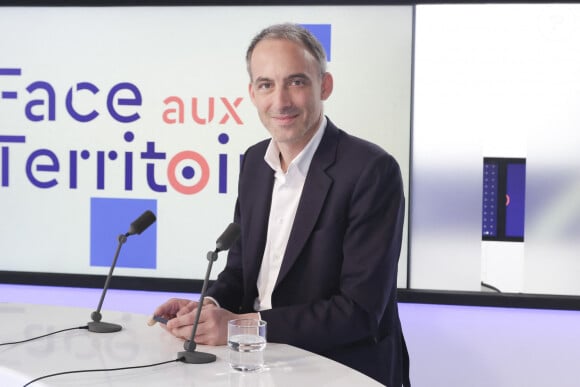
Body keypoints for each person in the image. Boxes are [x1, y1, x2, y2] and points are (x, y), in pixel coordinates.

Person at [153, 22, 410, 387]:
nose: (281, 101)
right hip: (253, 365)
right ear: (252, 94)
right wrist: (207, 308)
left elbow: (359, 312)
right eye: (266, 85)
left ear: (325, 85)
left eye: (297, 82)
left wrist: (241, 325)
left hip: (340, 369)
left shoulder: (371, 171)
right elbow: (240, 274)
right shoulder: (255, 163)